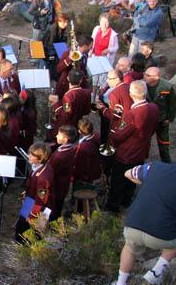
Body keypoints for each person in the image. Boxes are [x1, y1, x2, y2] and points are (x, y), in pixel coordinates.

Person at [110, 162, 176, 285]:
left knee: (129, 248)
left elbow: (127, 173)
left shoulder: (155, 167)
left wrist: (145, 181)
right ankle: (156, 273)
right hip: (161, 235)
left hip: (133, 226)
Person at [107, 80, 159, 212]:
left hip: (126, 152)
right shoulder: (154, 108)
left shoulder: (132, 114)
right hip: (141, 149)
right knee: (133, 177)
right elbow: (153, 128)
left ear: (131, 94)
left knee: (118, 180)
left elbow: (119, 136)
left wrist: (113, 134)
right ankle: (127, 200)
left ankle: (114, 206)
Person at [14, 142, 54, 243]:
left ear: (40, 159)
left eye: (32, 155)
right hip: (30, 200)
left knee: (32, 233)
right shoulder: (38, 167)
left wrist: (32, 215)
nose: (29, 156)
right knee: (21, 228)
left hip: (38, 208)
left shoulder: (43, 177)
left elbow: (41, 199)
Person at [143, 67, 176, 163]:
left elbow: (173, 103)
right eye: (145, 74)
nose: (144, 76)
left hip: (162, 120)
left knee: (164, 143)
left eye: (148, 75)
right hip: (148, 119)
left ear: (156, 77)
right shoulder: (142, 85)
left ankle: (167, 165)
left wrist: (169, 118)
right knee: (144, 141)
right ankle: (141, 164)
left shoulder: (167, 86)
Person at [48, 70, 91, 140]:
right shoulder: (87, 93)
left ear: (68, 78)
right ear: (81, 80)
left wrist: (56, 104)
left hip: (68, 126)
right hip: (78, 122)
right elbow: (87, 111)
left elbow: (66, 114)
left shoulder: (68, 96)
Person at [48, 125, 77, 220]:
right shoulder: (69, 149)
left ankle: (50, 226)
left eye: (59, 135)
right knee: (58, 206)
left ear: (65, 138)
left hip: (56, 187)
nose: (56, 136)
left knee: (53, 208)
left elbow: (51, 171)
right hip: (63, 185)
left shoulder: (60, 156)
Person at [96, 68, 133, 136]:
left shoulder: (114, 93)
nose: (107, 80)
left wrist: (102, 108)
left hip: (118, 125)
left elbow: (113, 116)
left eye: (109, 78)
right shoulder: (128, 86)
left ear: (117, 79)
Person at [72, 118, 101, 186]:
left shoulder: (83, 147)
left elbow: (81, 165)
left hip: (87, 175)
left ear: (79, 131)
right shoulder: (97, 136)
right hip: (96, 167)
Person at [42, 13, 69, 80]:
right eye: (64, 22)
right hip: (49, 53)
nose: (66, 24)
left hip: (57, 51)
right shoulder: (53, 29)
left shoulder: (62, 29)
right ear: (59, 21)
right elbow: (50, 44)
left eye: (66, 22)